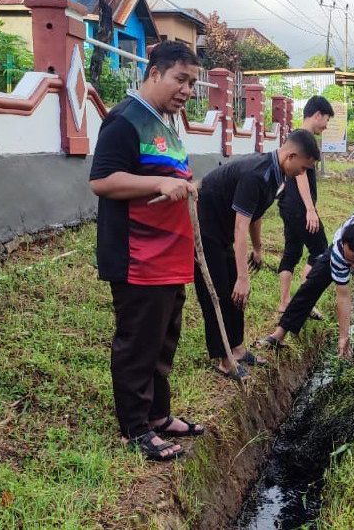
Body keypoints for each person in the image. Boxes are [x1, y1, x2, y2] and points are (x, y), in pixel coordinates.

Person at [89, 41, 204, 462]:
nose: (187, 90)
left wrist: (183, 185)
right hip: (139, 256)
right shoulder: (124, 120)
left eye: (192, 83)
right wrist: (159, 183)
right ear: (154, 73)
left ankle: (158, 415)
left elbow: (170, 175)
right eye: (180, 80)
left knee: (162, 340)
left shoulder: (165, 122)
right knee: (139, 342)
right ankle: (135, 428)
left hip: (169, 256)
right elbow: (102, 181)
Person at [195, 130, 320, 380]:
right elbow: (240, 226)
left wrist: (258, 247)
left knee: (236, 296)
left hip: (225, 232)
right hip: (206, 230)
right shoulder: (257, 175)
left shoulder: (277, 175)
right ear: (291, 156)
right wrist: (243, 278)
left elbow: (255, 214)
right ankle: (224, 359)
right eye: (303, 167)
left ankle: (238, 349)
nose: (303, 173)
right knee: (218, 292)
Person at [255, 212, 354, 359]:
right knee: (312, 284)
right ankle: (278, 335)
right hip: (346, 254)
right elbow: (343, 295)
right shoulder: (339, 251)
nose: (352, 267)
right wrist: (343, 337)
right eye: (349, 262)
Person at [277, 96, 334, 315]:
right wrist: (310, 210)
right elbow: (301, 176)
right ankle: (304, 302)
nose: (326, 126)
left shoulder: (295, 136)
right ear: (317, 115)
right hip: (300, 206)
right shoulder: (304, 139)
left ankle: (285, 302)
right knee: (320, 251)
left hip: (288, 204)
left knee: (292, 251)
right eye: (326, 120)